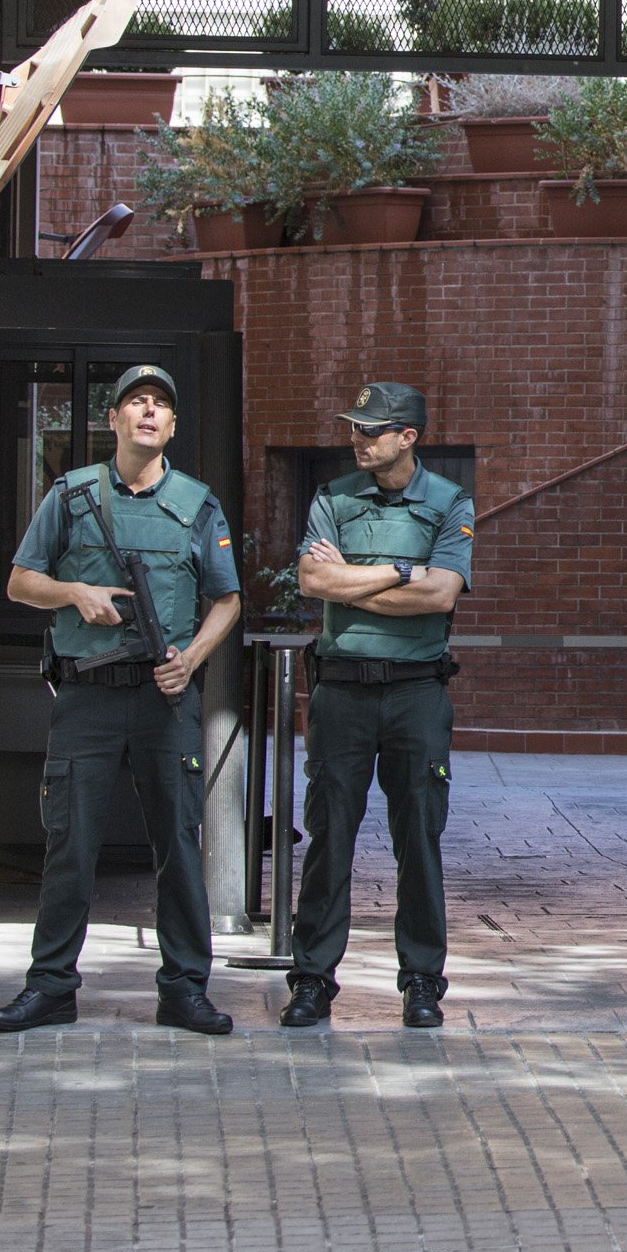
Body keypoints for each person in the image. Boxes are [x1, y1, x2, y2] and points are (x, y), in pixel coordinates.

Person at [0, 363, 242, 1034]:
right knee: (70, 846)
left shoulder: (197, 503)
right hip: (88, 697)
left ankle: (185, 990)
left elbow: (228, 598)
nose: (149, 412)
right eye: (137, 402)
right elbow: (19, 582)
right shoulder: (71, 496)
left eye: (161, 403)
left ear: (174, 425)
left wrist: (191, 659)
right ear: (114, 420)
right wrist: (76, 593)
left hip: (165, 700)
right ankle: (50, 988)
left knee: (180, 849)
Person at [281, 382, 475, 1031]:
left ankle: (422, 981)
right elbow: (313, 581)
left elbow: (442, 595)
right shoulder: (331, 498)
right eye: (356, 428)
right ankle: (312, 980)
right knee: (329, 837)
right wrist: (400, 571)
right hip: (340, 691)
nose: (359, 439)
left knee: (418, 838)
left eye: (372, 429)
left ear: (408, 436)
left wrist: (355, 582)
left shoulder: (449, 503)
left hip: (417, 691)